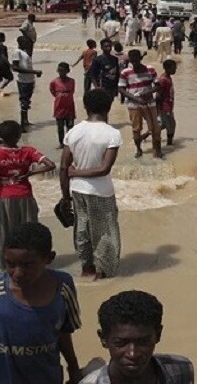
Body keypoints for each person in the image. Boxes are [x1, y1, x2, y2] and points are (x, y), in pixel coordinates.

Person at [0, 222, 82, 384]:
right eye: (10, 264)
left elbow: (63, 332)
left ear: (49, 258)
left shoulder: (63, 287)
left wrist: (73, 368)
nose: (17, 273)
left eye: (27, 265)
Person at [0, 120, 56, 268]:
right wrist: (30, 173)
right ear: (18, 136)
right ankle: (34, 264)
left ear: (0, 136)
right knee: (30, 234)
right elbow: (51, 165)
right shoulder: (29, 151)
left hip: (5, 198)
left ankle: (7, 266)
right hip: (25, 197)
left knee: (6, 234)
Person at [59, 89, 123, 280]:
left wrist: (65, 197)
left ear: (85, 107)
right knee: (105, 234)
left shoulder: (73, 132)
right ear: (108, 107)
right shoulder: (112, 134)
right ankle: (104, 274)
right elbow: (104, 169)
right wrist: (76, 172)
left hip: (77, 189)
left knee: (82, 229)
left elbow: (63, 167)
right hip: (101, 191)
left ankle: (86, 269)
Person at [80, 290, 194, 384]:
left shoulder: (180, 370)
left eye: (143, 342)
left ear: (158, 335)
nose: (132, 354)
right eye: (120, 343)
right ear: (104, 339)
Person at [118, 50, 161, 158]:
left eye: (136, 60)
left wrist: (148, 92)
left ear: (140, 58)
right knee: (136, 129)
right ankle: (138, 149)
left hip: (149, 103)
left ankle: (157, 150)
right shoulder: (125, 72)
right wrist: (135, 98)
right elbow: (121, 89)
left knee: (155, 128)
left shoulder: (150, 69)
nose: (134, 63)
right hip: (133, 104)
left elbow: (157, 85)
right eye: (132, 61)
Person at [12, 36, 43, 132]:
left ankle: (25, 120)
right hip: (23, 80)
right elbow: (15, 68)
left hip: (29, 80)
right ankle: (22, 124)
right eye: (25, 42)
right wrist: (34, 72)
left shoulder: (25, 52)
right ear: (20, 42)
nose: (27, 44)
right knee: (24, 101)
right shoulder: (17, 52)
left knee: (27, 101)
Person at [51, 63, 77, 149]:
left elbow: (72, 91)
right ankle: (61, 143)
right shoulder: (54, 82)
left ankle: (70, 143)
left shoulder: (72, 81)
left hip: (70, 107)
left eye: (63, 71)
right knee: (60, 127)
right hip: (59, 107)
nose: (61, 72)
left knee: (70, 126)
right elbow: (53, 91)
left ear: (67, 71)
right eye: (59, 70)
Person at [157, 59, 177, 147]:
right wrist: (157, 109)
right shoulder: (163, 80)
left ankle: (145, 135)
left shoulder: (168, 77)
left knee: (164, 125)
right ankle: (169, 144)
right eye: (173, 69)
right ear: (167, 69)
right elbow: (158, 95)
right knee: (171, 126)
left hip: (168, 105)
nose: (175, 70)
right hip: (165, 107)